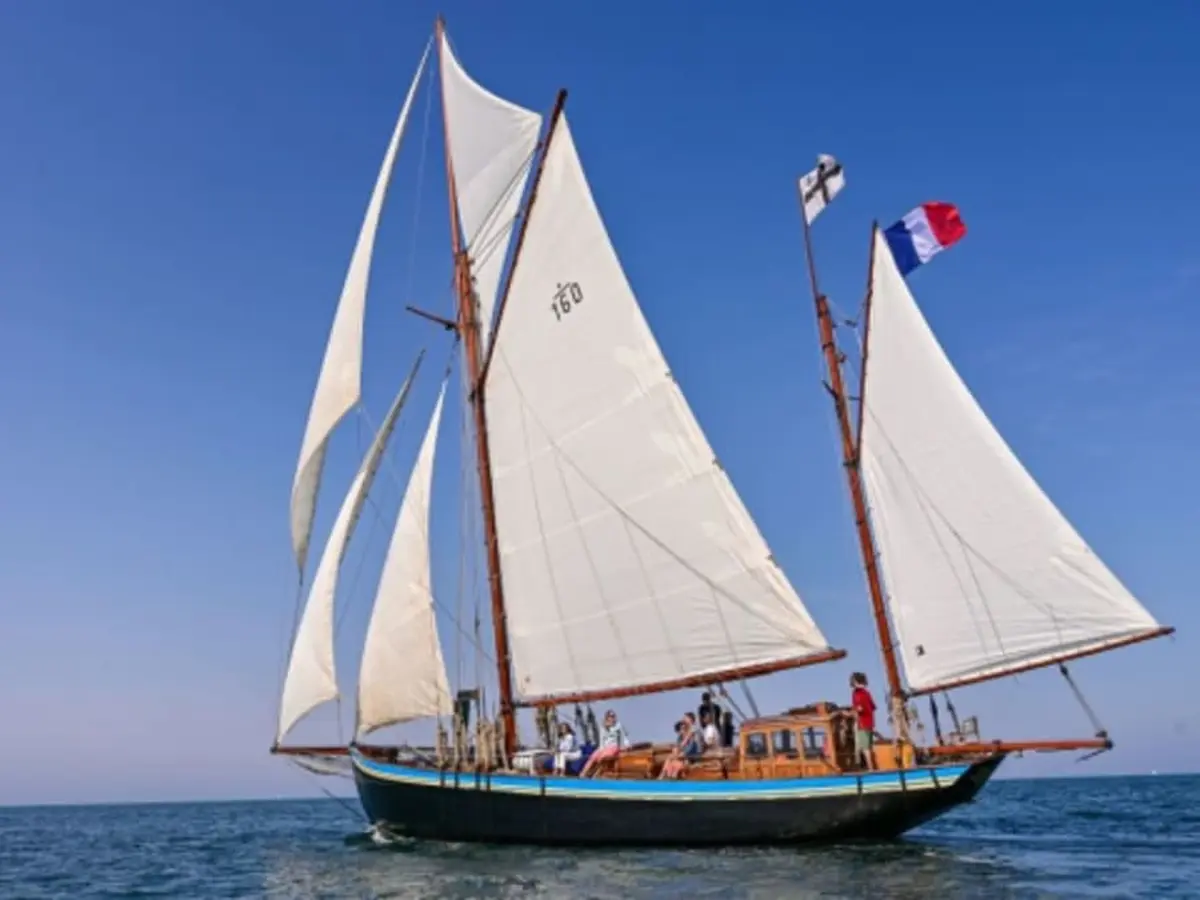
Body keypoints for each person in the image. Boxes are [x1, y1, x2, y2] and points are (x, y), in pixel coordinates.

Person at [581, 709, 630, 776]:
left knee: (603, 757)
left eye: (612, 717)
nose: (610, 719)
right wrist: (601, 748)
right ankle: (583, 773)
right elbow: (602, 740)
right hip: (605, 747)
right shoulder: (603, 728)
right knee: (594, 756)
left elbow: (624, 737)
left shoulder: (619, 727)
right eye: (609, 717)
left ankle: (596, 774)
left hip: (614, 746)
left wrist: (626, 746)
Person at [850, 672, 877, 771]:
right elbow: (873, 707)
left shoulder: (857, 693)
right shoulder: (867, 692)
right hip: (869, 722)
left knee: (865, 748)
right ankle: (872, 768)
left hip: (862, 723)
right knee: (869, 747)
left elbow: (859, 708)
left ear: (855, 681)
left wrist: (850, 713)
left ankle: (871, 769)